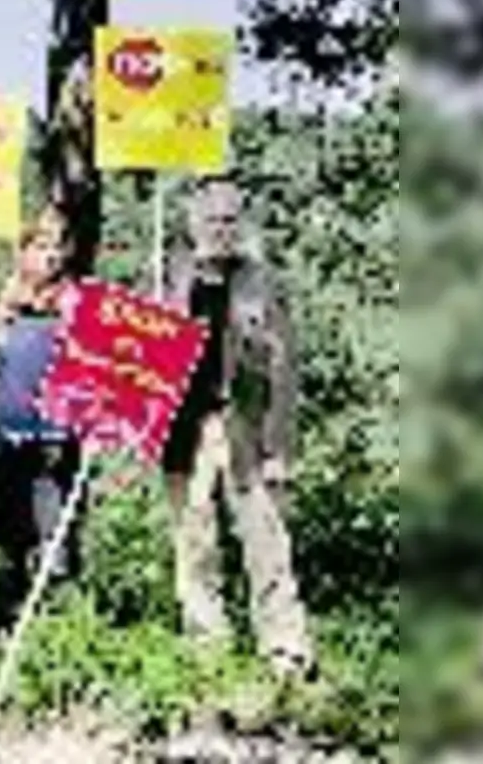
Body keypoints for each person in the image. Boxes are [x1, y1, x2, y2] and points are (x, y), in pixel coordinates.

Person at [161, 177, 313, 679]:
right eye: (213, 219)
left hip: (244, 425)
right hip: (186, 430)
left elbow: (284, 369)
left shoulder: (261, 282)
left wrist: (280, 447)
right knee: (194, 537)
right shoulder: (166, 279)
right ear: (192, 222)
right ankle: (207, 644)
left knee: (266, 537)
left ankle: (286, 648)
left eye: (231, 219)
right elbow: (136, 358)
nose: (223, 229)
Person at [0, 209, 84, 643]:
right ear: (22, 250)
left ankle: (60, 639)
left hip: (57, 440)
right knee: (10, 540)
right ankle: (4, 633)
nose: (50, 255)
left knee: (57, 544)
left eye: (56, 246)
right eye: (40, 245)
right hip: (5, 438)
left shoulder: (76, 302)